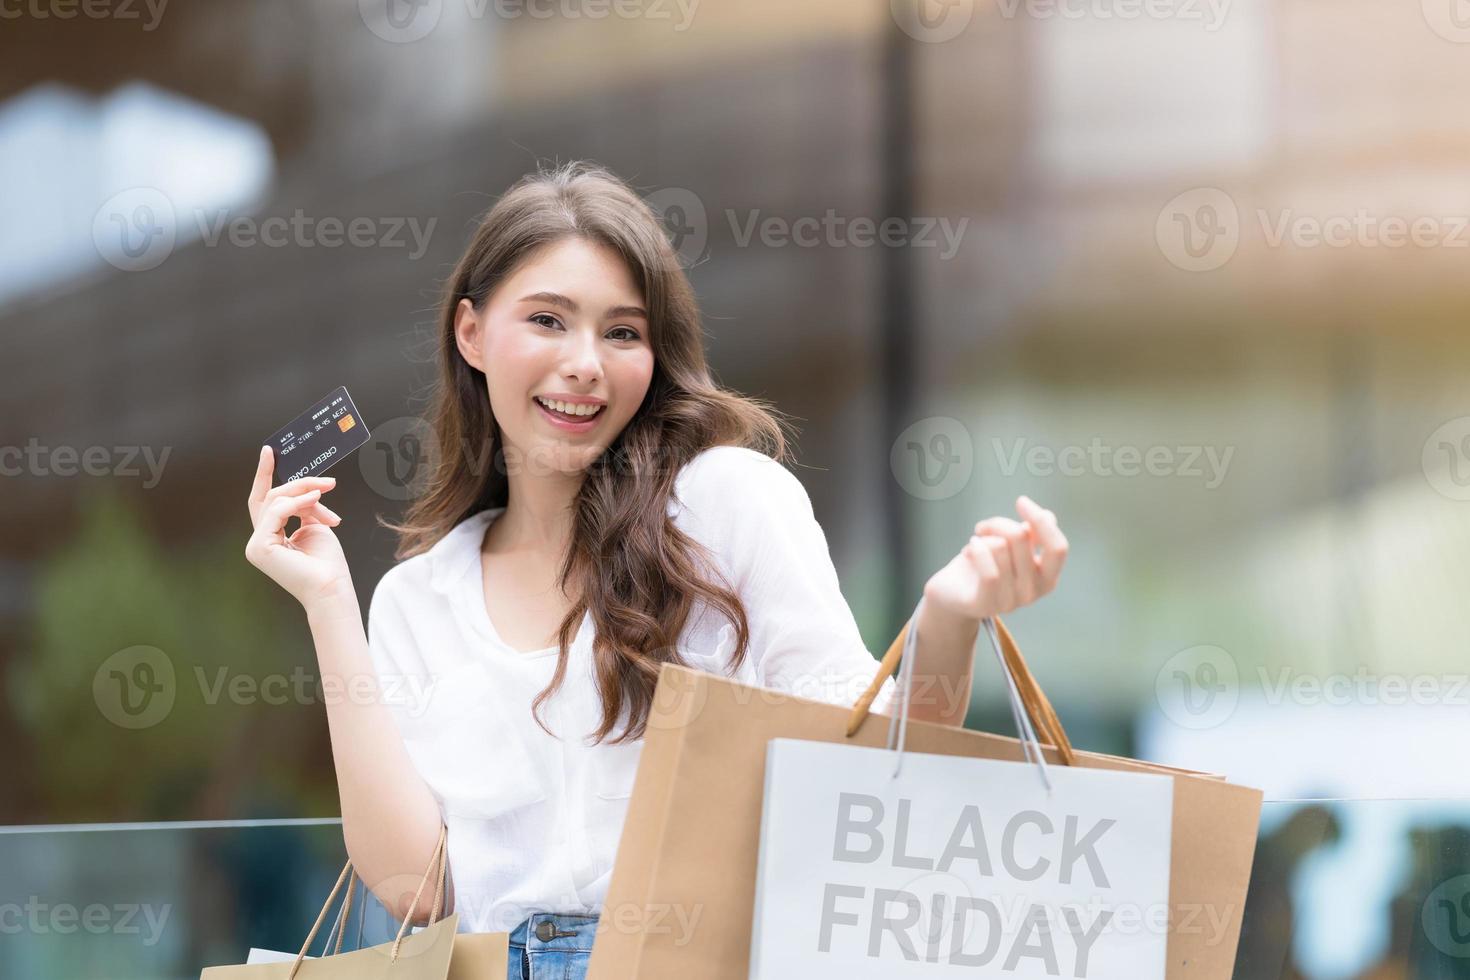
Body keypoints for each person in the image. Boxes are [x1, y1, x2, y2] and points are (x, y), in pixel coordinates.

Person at [244, 160, 1069, 979]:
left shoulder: (727, 505)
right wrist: (327, 601)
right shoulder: (418, 598)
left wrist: (949, 620)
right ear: (472, 334)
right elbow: (414, 890)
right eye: (547, 320)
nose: (586, 364)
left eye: (623, 332)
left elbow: (878, 759)